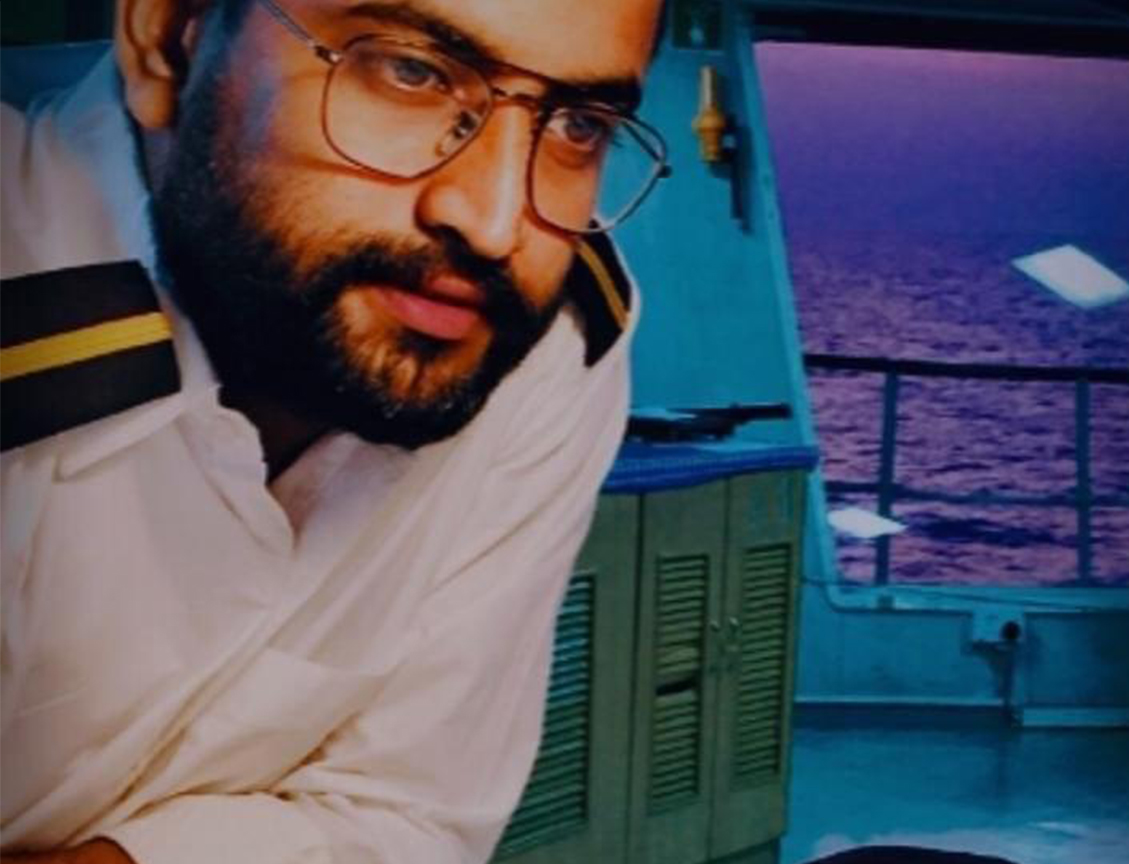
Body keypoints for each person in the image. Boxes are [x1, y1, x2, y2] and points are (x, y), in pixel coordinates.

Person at [0, 0, 666, 861]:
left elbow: (410, 820)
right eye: (411, 71)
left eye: (579, 125)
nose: (495, 223)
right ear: (165, 37)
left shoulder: (540, 337)